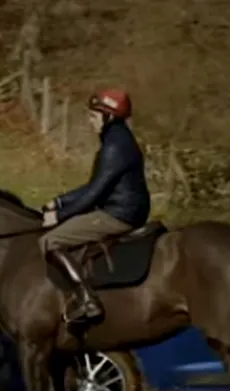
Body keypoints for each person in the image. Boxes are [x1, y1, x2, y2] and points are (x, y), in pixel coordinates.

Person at [39, 88, 152, 324]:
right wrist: (59, 201)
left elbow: (94, 193)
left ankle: (86, 300)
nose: (90, 122)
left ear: (108, 117)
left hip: (120, 214)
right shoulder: (117, 139)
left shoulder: (115, 147)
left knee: (50, 240)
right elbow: (95, 185)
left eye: (93, 116)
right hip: (123, 207)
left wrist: (59, 216)